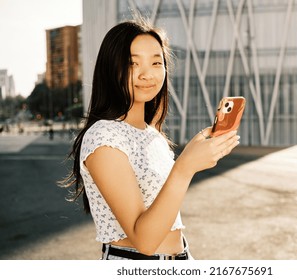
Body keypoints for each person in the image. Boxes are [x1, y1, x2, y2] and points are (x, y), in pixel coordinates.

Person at [61, 18, 240, 260]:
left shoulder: (153, 135)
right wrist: (185, 167)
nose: (148, 74)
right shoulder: (104, 136)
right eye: (132, 63)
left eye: (157, 62)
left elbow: (166, 214)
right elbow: (144, 241)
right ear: (110, 69)